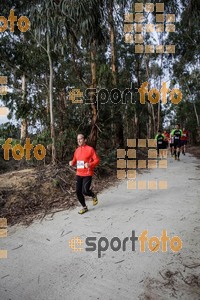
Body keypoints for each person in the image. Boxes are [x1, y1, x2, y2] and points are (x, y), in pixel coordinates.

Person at [69, 134, 99, 214]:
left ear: (85, 140)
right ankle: (84, 207)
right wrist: (72, 163)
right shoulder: (77, 150)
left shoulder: (90, 149)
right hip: (79, 173)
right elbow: (74, 160)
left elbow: (96, 160)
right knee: (78, 191)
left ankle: (93, 195)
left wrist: (90, 164)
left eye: (80, 139)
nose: (79, 140)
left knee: (85, 191)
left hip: (87, 173)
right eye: (77, 139)